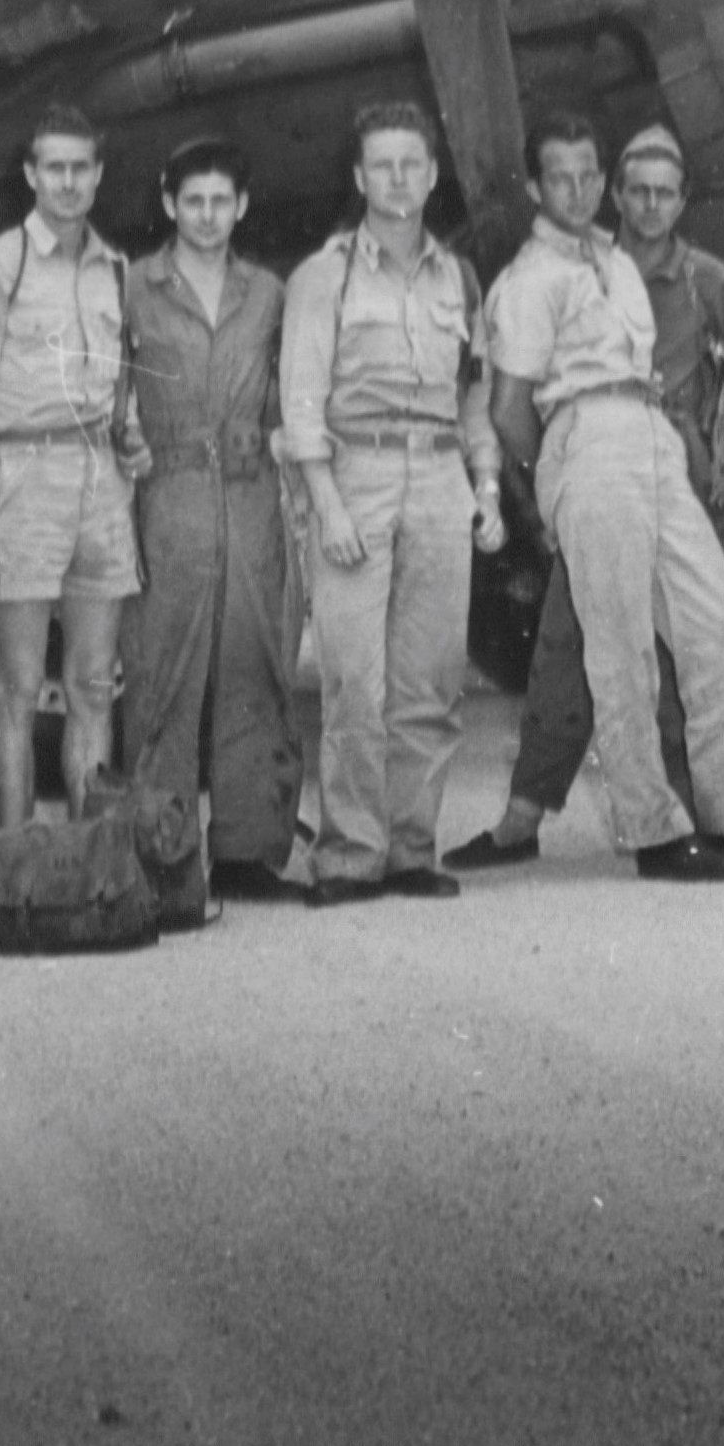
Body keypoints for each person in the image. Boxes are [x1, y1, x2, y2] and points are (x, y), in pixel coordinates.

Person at [483, 113, 724, 884]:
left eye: (589, 174)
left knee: (717, 631)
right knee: (619, 649)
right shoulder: (527, 280)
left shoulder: (616, 263)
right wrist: (559, 480)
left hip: (651, 432)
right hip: (587, 435)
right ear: (534, 185)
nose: (579, 189)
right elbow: (507, 408)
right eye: (561, 176)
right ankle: (654, 831)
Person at [276, 101, 504, 904]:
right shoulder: (323, 276)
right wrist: (326, 505)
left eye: (411, 164)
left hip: (440, 479)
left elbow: (471, 398)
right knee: (352, 683)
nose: (398, 179)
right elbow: (300, 401)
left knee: (430, 681)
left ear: (432, 174)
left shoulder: (457, 278)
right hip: (358, 476)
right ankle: (347, 855)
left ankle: (410, 850)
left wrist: (485, 488)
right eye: (381, 165)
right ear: (358, 177)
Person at [0, 106, 148, 834]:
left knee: (93, 685)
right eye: (53, 168)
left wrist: (131, 440)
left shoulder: (115, 269)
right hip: (25, 477)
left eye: (80, 168)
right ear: (31, 176)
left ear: (97, 175)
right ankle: (15, 860)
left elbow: (119, 384)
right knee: (18, 685)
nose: (68, 182)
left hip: (100, 480)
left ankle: (88, 855)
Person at [122, 136, 301, 904]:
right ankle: (160, 854)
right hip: (171, 489)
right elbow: (104, 383)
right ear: (169, 205)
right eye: (191, 201)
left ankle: (246, 851)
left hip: (251, 488)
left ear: (241, 206)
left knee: (253, 664)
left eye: (219, 201)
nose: (205, 215)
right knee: (164, 671)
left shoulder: (267, 291)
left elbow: (285, 391)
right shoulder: (133, 286)